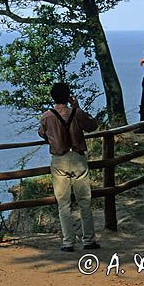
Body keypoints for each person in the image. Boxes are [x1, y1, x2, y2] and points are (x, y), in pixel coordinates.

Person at [38, 83, 100, 252]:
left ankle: (68, 242)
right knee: (84, 201)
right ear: (68, 96)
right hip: (78, 158)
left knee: (63, 203)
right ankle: (89, 240)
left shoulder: (46, 116)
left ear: (52, 97)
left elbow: (42, 134)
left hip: (59, 160)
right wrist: (77, 107)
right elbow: (92, 125)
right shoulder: (76, 113)